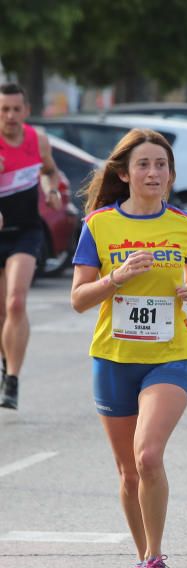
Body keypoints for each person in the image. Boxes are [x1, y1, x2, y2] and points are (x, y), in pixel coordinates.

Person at [70, 128, 187, 568]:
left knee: (148, 454)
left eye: (162, 165)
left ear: (171, 174)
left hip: (171, 356)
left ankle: (155, 561)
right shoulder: (100, 225)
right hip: (113, 357)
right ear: (125, 173)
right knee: (129, 471)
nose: (154, 173)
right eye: (144, 165)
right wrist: (118, 277)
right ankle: (142, 557)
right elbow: (78, 300)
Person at [0, 83, 65, 409]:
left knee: (15, 302)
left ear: (25, 110)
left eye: (15, 109)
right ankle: (4, 358)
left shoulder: (36, 140)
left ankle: (11, 379)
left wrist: (51, 189)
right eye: (4, 109)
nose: (10, 116)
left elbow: (50, 172)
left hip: (26, 231)